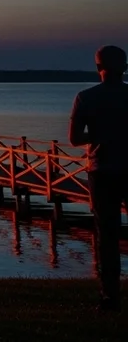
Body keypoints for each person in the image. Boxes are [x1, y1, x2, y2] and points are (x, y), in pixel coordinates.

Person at [68, 44, 128, 312]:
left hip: (101, 171)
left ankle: (109, 297)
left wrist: (100, 134)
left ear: (97, 68)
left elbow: (74, 139)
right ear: (125, 68)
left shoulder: (86, 97)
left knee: (107, 235)